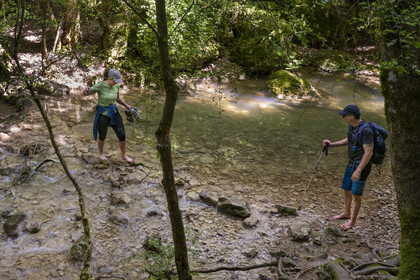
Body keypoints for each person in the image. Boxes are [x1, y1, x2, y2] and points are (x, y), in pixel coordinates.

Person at [323, 104, 373, 230]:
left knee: (356, 194)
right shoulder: (352, 126)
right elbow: (349, 140)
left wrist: (358, 170)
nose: (342, 117)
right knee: (347, 188)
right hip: (352, 163)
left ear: (351, 117)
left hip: (361, 166)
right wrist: (332, 144)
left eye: (344, 115)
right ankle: (347, 213)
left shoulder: (366, 130)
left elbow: (369, 152)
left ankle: (353, 221)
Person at [82, 68, 133, 163]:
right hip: (103, 113)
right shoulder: (100, 86)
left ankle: (124, 155)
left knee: (122, 135)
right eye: (115, 80)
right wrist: (85, 91)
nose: (116, 83)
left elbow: (117, 98)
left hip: (114, 112)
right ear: (110, 78)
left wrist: (126, 105)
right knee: (102, 135)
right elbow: (86, 93)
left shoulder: (116, 86)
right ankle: (101, 154)